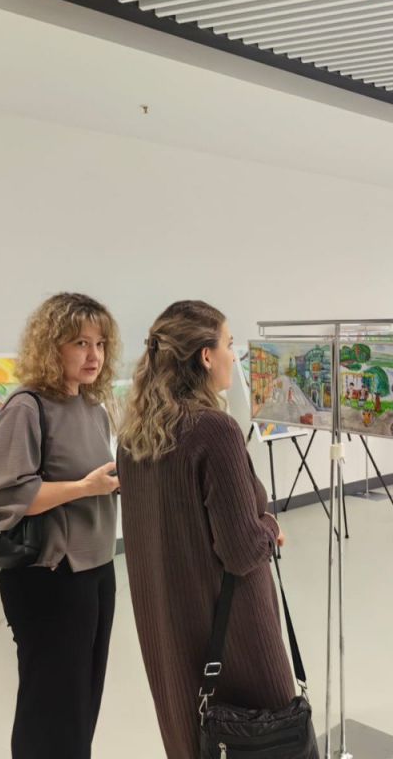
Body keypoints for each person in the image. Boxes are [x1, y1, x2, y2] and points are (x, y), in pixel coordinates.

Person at [116, 300, 293, 758]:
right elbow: (241, 550)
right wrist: (269, 524)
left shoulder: (133, 435)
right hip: (230, 626)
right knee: (263, 738)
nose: (235, 355)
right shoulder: (214, 430)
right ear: (206, 356)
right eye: (229, 344)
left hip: (168, 623)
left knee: (193, 736)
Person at [0, 292, 121, 759]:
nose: (94, 355)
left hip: (97, 568)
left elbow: (91, 479)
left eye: (100, 344)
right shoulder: (28, 406)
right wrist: (85, 487)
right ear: (51, 346)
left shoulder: (93, 407)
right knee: (50, 706)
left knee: (82, 702)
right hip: (49, 574)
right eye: (80, 343)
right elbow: (3, 494)